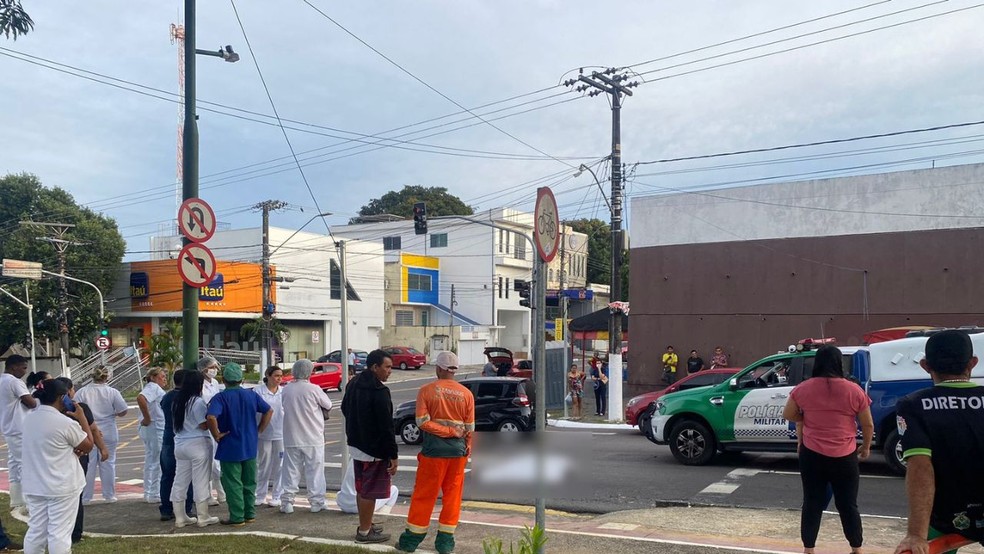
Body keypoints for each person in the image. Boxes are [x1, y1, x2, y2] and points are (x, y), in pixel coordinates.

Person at [893, 330, 984, 554]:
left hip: (945, 518)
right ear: (972, 363)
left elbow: (921, 467)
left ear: (925, 365)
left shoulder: (914, 404)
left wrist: (916, 534)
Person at [783, 345, 873, 554]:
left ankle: (809, 549)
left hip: (812, 454)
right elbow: (867, 424)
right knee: (848, 504)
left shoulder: (803, 388)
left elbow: (788, 414)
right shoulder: (853, 390)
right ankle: (856, 548)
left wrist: (806, 418)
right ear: (839, 363)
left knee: (812, 503)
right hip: (845, 455)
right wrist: (866, 447)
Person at [396, 351, 475, 554]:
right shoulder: (466, 394)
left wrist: (447, 431)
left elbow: (422, 422)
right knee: (452, 496)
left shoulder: (426, 390)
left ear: (439, 369)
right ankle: (445, 542)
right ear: (455, 370)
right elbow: (470, 428)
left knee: (424, 495)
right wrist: (466, 446)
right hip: (458, 454)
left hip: (433, 453)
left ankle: (411, 540)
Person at [22, 376, 93, 554]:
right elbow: (88, 445)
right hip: (61, 485)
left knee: (36, 531)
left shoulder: (29, 419)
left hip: (35, 485)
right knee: (59, 533)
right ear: (62, 397)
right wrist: (82, 417)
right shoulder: (65, 423)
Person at [341, 349, 399, 544]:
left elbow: (344, 408)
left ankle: (366, 523)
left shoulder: (354, 382)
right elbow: (386, 427)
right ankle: (365, 532)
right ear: (375, 367)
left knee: (362, 488)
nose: (390, 371)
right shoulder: (380, 391)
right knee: (370, 491)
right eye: (387, 367)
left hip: (356, 444)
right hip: (374, 450)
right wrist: (393, 455)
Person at [206, 362, 272, 526]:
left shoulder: (220, 397)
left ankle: (237, 517)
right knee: (250, 481)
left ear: (223, 379)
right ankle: (250, 514)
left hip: (229, 445)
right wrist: (259, 429)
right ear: (242, 379)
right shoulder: (251, 395)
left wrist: (216, 435)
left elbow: (211, 417)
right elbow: (268, 410)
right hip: (250, 444)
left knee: (232, 482)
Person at [54, 376, 109, 545]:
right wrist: (102, 448)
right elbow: (92, 430)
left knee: (63, 496)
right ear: (68, 392)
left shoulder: (50, 412)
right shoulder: (80, 409)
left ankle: (68, 531)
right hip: (78, 454)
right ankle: (74, 533)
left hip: (60, 459)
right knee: (75, 495)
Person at [280, 359, 333, 514]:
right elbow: (328, 405)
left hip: (291, 436)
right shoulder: (313, 389)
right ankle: (316, 502)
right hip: (313, 436)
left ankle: (287, 502)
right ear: (309, 372)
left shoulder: (286, 389)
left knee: (290, 470)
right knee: (315, 470)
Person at [171, 370, 220, 528]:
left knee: (180, 481)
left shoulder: (177, 400)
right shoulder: (197, 402)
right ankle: (203, 516)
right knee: (201, 481)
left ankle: (180, 517)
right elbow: (203, 424)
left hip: (180, 444)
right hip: (198, 443)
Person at [75, 365, 127, 504]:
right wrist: (113, 413)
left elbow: (77, 409)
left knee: (89, 463)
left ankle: (86, 496)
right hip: (109, 427)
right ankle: (109, 495)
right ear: (107, 377)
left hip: (88, 428)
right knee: (109, 463)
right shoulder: (112, 392)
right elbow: (123, 410)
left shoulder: (82, 392)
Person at [0, 354, 37, 511]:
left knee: (14, 464)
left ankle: (16, 500)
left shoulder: (1, 380)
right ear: (14, 366)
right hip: (20, 427)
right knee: (26, 464)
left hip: (8, 427)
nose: (25, 371)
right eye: (23, 367)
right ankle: (30, 502)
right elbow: (32, 403)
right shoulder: (15, 382)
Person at [159, 369, 194, 522]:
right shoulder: (189, 398)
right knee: (187, 475)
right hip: (184, 439)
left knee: (168, 475)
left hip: (168, 438)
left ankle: (166, 509)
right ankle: (186, 508)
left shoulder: (167, 397)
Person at [254, 366, 285, 508]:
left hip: (280, 433)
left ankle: (277, 495)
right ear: (268, 375)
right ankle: (260, 494)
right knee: (263, 465)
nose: (279, 379)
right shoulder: (258, 391)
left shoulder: (283, 392)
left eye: (281, 376)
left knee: (279, 465)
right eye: (276, 376)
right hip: (263, 434)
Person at [197, 356, 226, 505]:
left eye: (215, 367)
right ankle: (208, 495)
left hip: (215, 422)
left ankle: (221, 493)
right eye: (212, 367)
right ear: (203, 368)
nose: (214, 370)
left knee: (216, 462)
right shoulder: (198, 384)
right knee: (208, 463)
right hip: (204, 425)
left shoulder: (214, 383)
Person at [137, 367, 168, 504]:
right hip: (155, 426)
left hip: (153, 427)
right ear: (154, 377)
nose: (164, 379)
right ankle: (154, 492)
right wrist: (147, 417)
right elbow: (141, 398)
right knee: (157, 460)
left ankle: (149, 491)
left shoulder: (154, 388)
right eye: (162, 376)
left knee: (151, 459)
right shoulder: (153, 387)